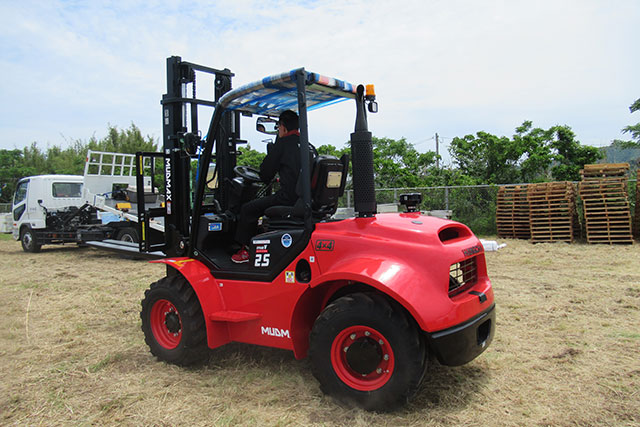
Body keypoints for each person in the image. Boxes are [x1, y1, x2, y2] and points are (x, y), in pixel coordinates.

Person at [231, 110, 304, 263]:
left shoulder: (282, 144)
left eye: (278, 128)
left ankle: (246, 250)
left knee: (248, 209)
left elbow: (265, 174)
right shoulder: (307, 145)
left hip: (287, 198)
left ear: (283, 127)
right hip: (302, 199)